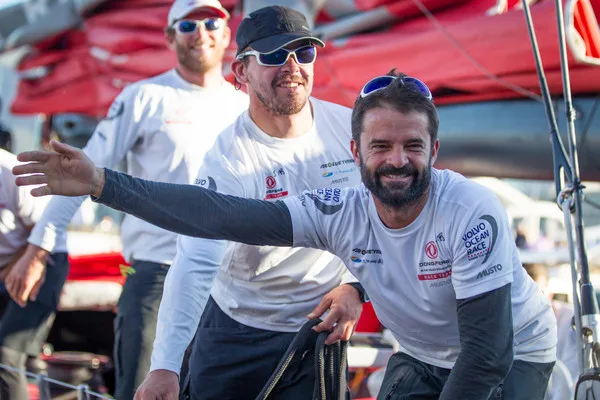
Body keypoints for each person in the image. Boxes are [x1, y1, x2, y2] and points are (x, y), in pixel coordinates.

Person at [13, 70, 559, 399]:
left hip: (514, 353)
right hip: (423, 353)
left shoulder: (470, 212)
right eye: (381, 147)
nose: (398, 161)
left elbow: (486, 354)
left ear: (434, 152)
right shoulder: (340, 211)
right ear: (355, 153)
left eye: (412, 146)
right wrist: (102, 183)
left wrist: (357, 285)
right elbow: (220, 215)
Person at [5, 0, 249, 398]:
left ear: (226, 35)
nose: (201, 33)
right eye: (188, 26)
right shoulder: (143, 97)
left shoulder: (245, 106)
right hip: (155, 274)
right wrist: (38, 249)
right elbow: (81, 174)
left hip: (230, 278)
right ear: (169, 37)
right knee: (141, 389)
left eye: (210, 23)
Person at [136, 6, 366, 399]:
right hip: (237, 331)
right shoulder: (228, 159)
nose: (292, 67)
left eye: (304, 52)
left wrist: (356, 286)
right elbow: (194, 261)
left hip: (318, 331)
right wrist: (164, 366)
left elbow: (388, 217)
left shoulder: (352, 130)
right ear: (241, 72)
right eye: (275, 55)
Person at [0, 147, 69, 399]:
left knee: (7, 354)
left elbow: (41, 234)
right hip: (6, 265)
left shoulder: (11, 172)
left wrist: (10, 269)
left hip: (43, 258)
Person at [523, 262, 578, 400]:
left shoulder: (573, 321)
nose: (533, 301)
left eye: (539, 293)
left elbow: (571, 376)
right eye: (527, 296)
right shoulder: (514, 326)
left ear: (550, 294)